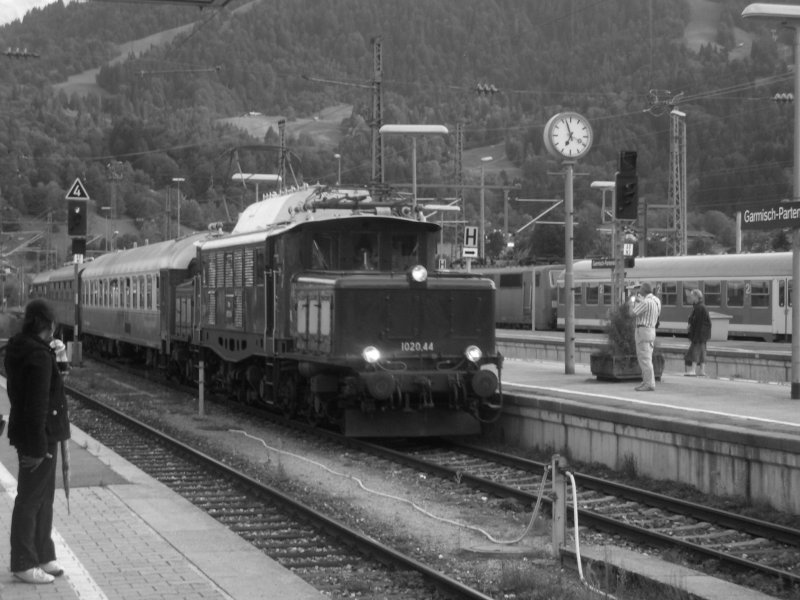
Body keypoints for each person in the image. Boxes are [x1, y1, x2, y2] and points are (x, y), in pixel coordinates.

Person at [4, 299, 71, 584]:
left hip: (36, 434)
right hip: (39, 437)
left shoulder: (24, 349)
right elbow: (38, 404)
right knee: (32, 500)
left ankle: (44, 554)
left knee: (42, 498)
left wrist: (58, 357)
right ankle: (24, 561)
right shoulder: (39, 356)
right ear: (49, 324)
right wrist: (39, 448)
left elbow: (54, 383)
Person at [629, 282, 661, 392]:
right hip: (651, 330)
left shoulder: (645, 302)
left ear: (643, 291)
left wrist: (632, 301)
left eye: (640, 289)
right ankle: (646, 381)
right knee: (647, 357)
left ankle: (649, 383)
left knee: (644, 358)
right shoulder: (657, 301)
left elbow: (632, 314)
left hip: (643, 330)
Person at [684, 288, 712, 377]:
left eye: (692, 296)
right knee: (702, 352)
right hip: (703, 334)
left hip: (699, 334)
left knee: (695, 351)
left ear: (696, 296)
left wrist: (695, 335)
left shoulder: (699, 308)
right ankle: (702, 371)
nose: (691, 298)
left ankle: (693, 370)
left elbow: (698, 323)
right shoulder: (701, 307)